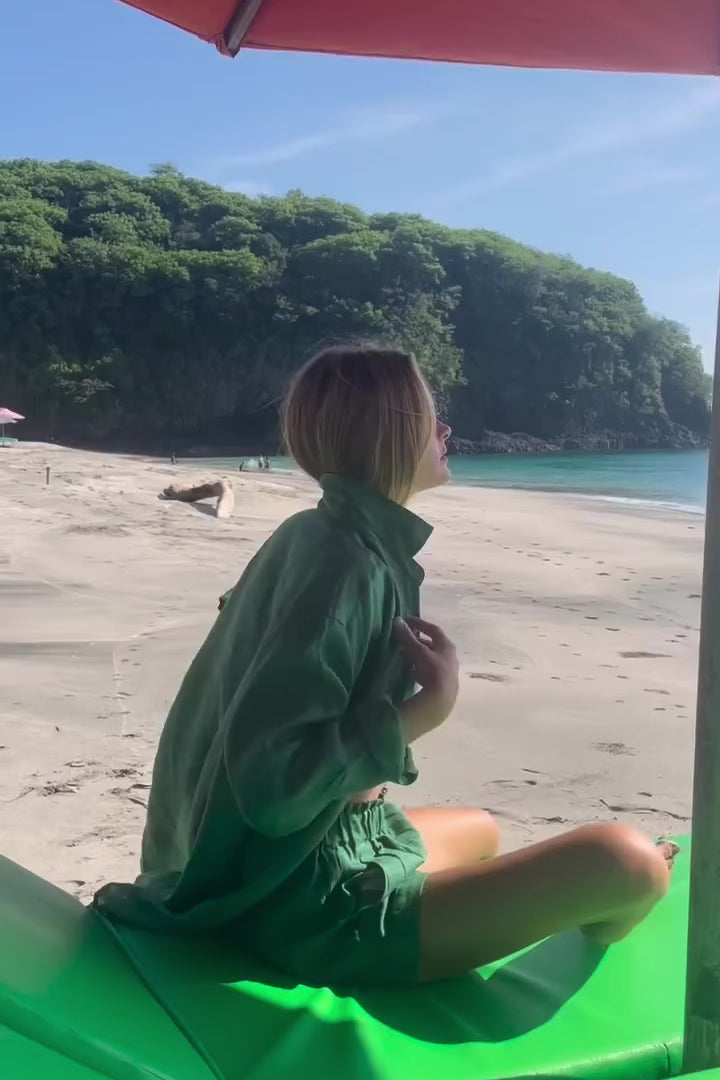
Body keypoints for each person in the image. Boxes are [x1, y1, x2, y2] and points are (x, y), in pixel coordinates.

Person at [94, 344, 675, 988]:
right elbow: (272, 787)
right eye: (428, 417)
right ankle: (629, 894)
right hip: (298, 903)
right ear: (389, 435)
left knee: (481, 832)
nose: (444, 430)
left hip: (272, 857)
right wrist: (427, 709)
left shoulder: (316, 534)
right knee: (629, 863)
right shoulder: (347, 567)